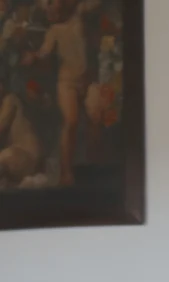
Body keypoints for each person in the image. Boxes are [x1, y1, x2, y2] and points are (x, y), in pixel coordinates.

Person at [32, 0, 99, 185]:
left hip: (88, 80)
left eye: (52, 4)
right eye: (47, 7)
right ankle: (66, 172)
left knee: (96, 118)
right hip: (67, 83)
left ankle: (93, 165)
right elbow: (44, 53)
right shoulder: (53, 31)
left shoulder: (79, 14)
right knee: (71, 122)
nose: (50, 10)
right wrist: (34, 58)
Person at [0, 80, 42, 186]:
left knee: (3, 157)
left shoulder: (10, 100)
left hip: (27, 155)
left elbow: (1, 126)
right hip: (18, 155)